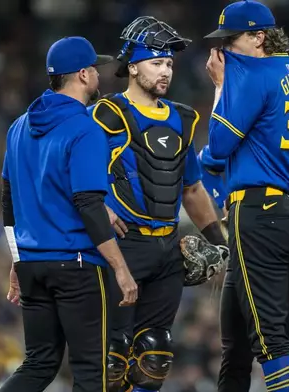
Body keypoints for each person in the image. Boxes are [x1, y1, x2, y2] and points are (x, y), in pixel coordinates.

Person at [91, 17, 228, 392]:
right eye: (156, 62)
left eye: (169, 63)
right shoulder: (105, 115)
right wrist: (96, 206)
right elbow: (71, 172)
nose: (165, 70)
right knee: (112, 358)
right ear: (132, 67)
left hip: (168, 247)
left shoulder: (183, 118)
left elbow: (193, 188)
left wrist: (218, 240)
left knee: (155, 356)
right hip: (123, 246)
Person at [0, 36, 138, 392]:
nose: (98, 75)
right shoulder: (85, 128)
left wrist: (17, 259)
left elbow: (8, 201)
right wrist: (121, 269)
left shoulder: (18, 127)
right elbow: (88, 204)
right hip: (75, 266)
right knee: (92, 372)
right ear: (81, 74)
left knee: (39, 364)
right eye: (94, 68)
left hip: (31, 264)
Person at [204, 1, 289, 391]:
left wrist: (220, 86)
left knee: (268, 338)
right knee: (236, 341)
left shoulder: (255, 76)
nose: (223, 52)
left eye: (230, 40)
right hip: (287, 214)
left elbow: (219, 145)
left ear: (258, 37)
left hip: (259, 213)